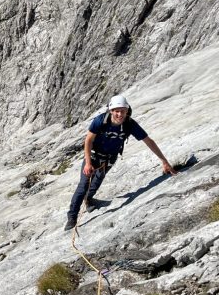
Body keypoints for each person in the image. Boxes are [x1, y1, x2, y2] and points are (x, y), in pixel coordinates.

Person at [65, 95, 177, 231]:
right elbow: (88, 141)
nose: (120, 114)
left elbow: (149, 141)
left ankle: (88, 200)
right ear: (111, 111)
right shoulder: (100, 120)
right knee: (84, 185)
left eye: (122, 111)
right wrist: (88, 163)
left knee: (97, 181)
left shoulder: (130, 124)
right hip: (93, 156)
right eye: (116, 111)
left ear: (127, 110)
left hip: (109, 158)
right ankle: (72, 217)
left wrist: (164, 161)